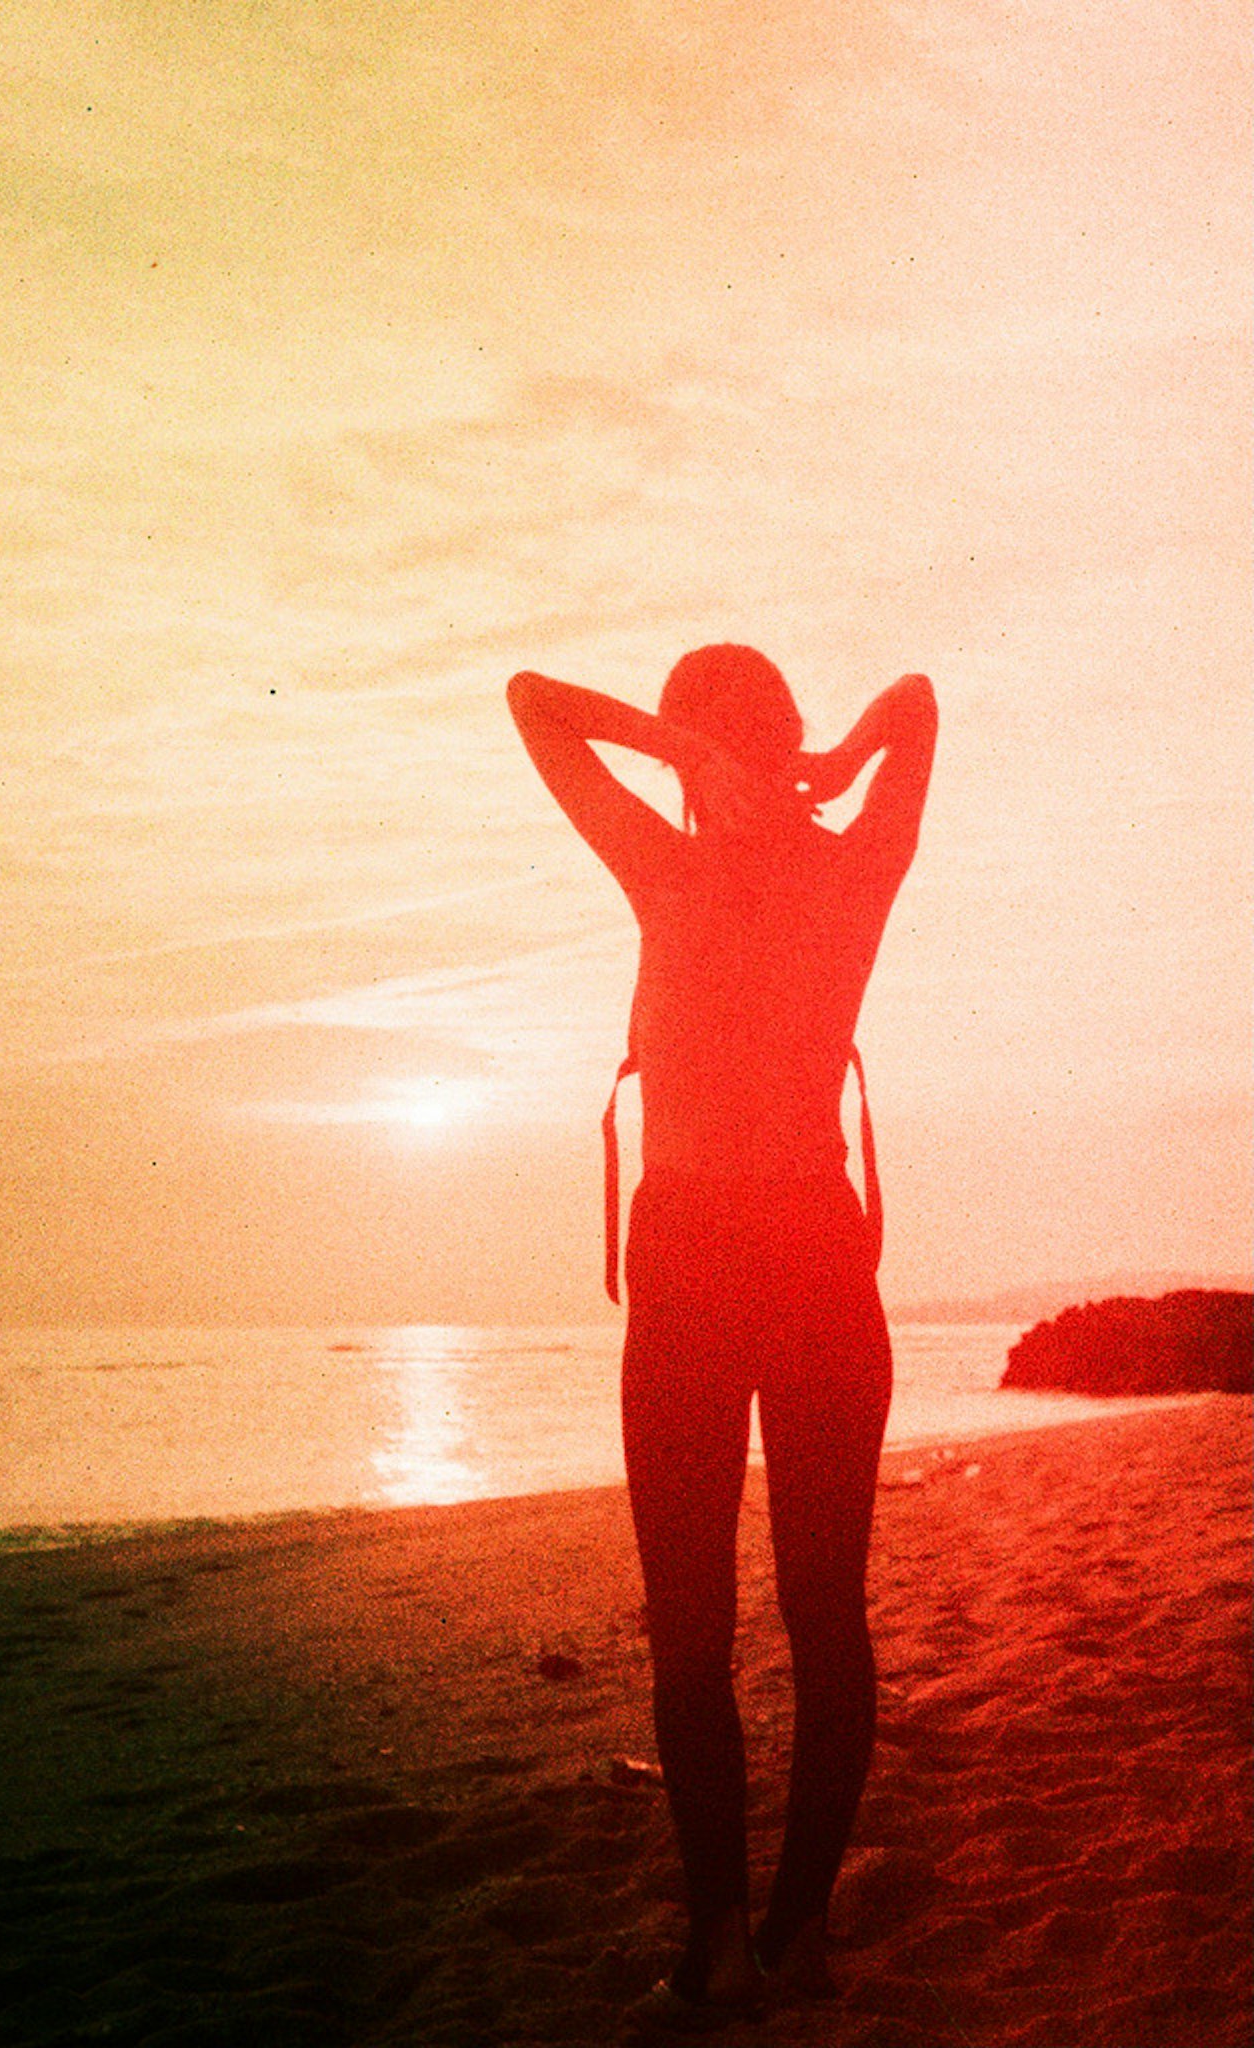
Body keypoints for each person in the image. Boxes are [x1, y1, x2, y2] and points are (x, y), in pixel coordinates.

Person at [507, 647, 937, 2033]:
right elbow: (918, 703)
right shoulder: (853, 870)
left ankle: (726, 1945)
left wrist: (686, 754)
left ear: (701, 748)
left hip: (706, 1259)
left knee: (695, 1633)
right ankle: (797, 1932)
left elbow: (532, 700)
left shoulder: (669, 867)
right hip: (812, 1257)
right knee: (823, 1616)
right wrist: (834, 763)